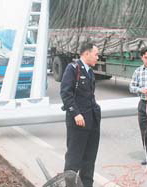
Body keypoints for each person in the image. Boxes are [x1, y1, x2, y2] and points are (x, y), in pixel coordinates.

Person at [60, 42, 101, 187]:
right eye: (96, 54)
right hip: (78, 122)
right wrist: (76, 113)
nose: (98, 57)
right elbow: (66, 93)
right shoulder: (73, 69)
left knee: (89, 160)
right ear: (86, 54)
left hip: (91, 121)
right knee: (74, 159)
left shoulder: (89, 71)